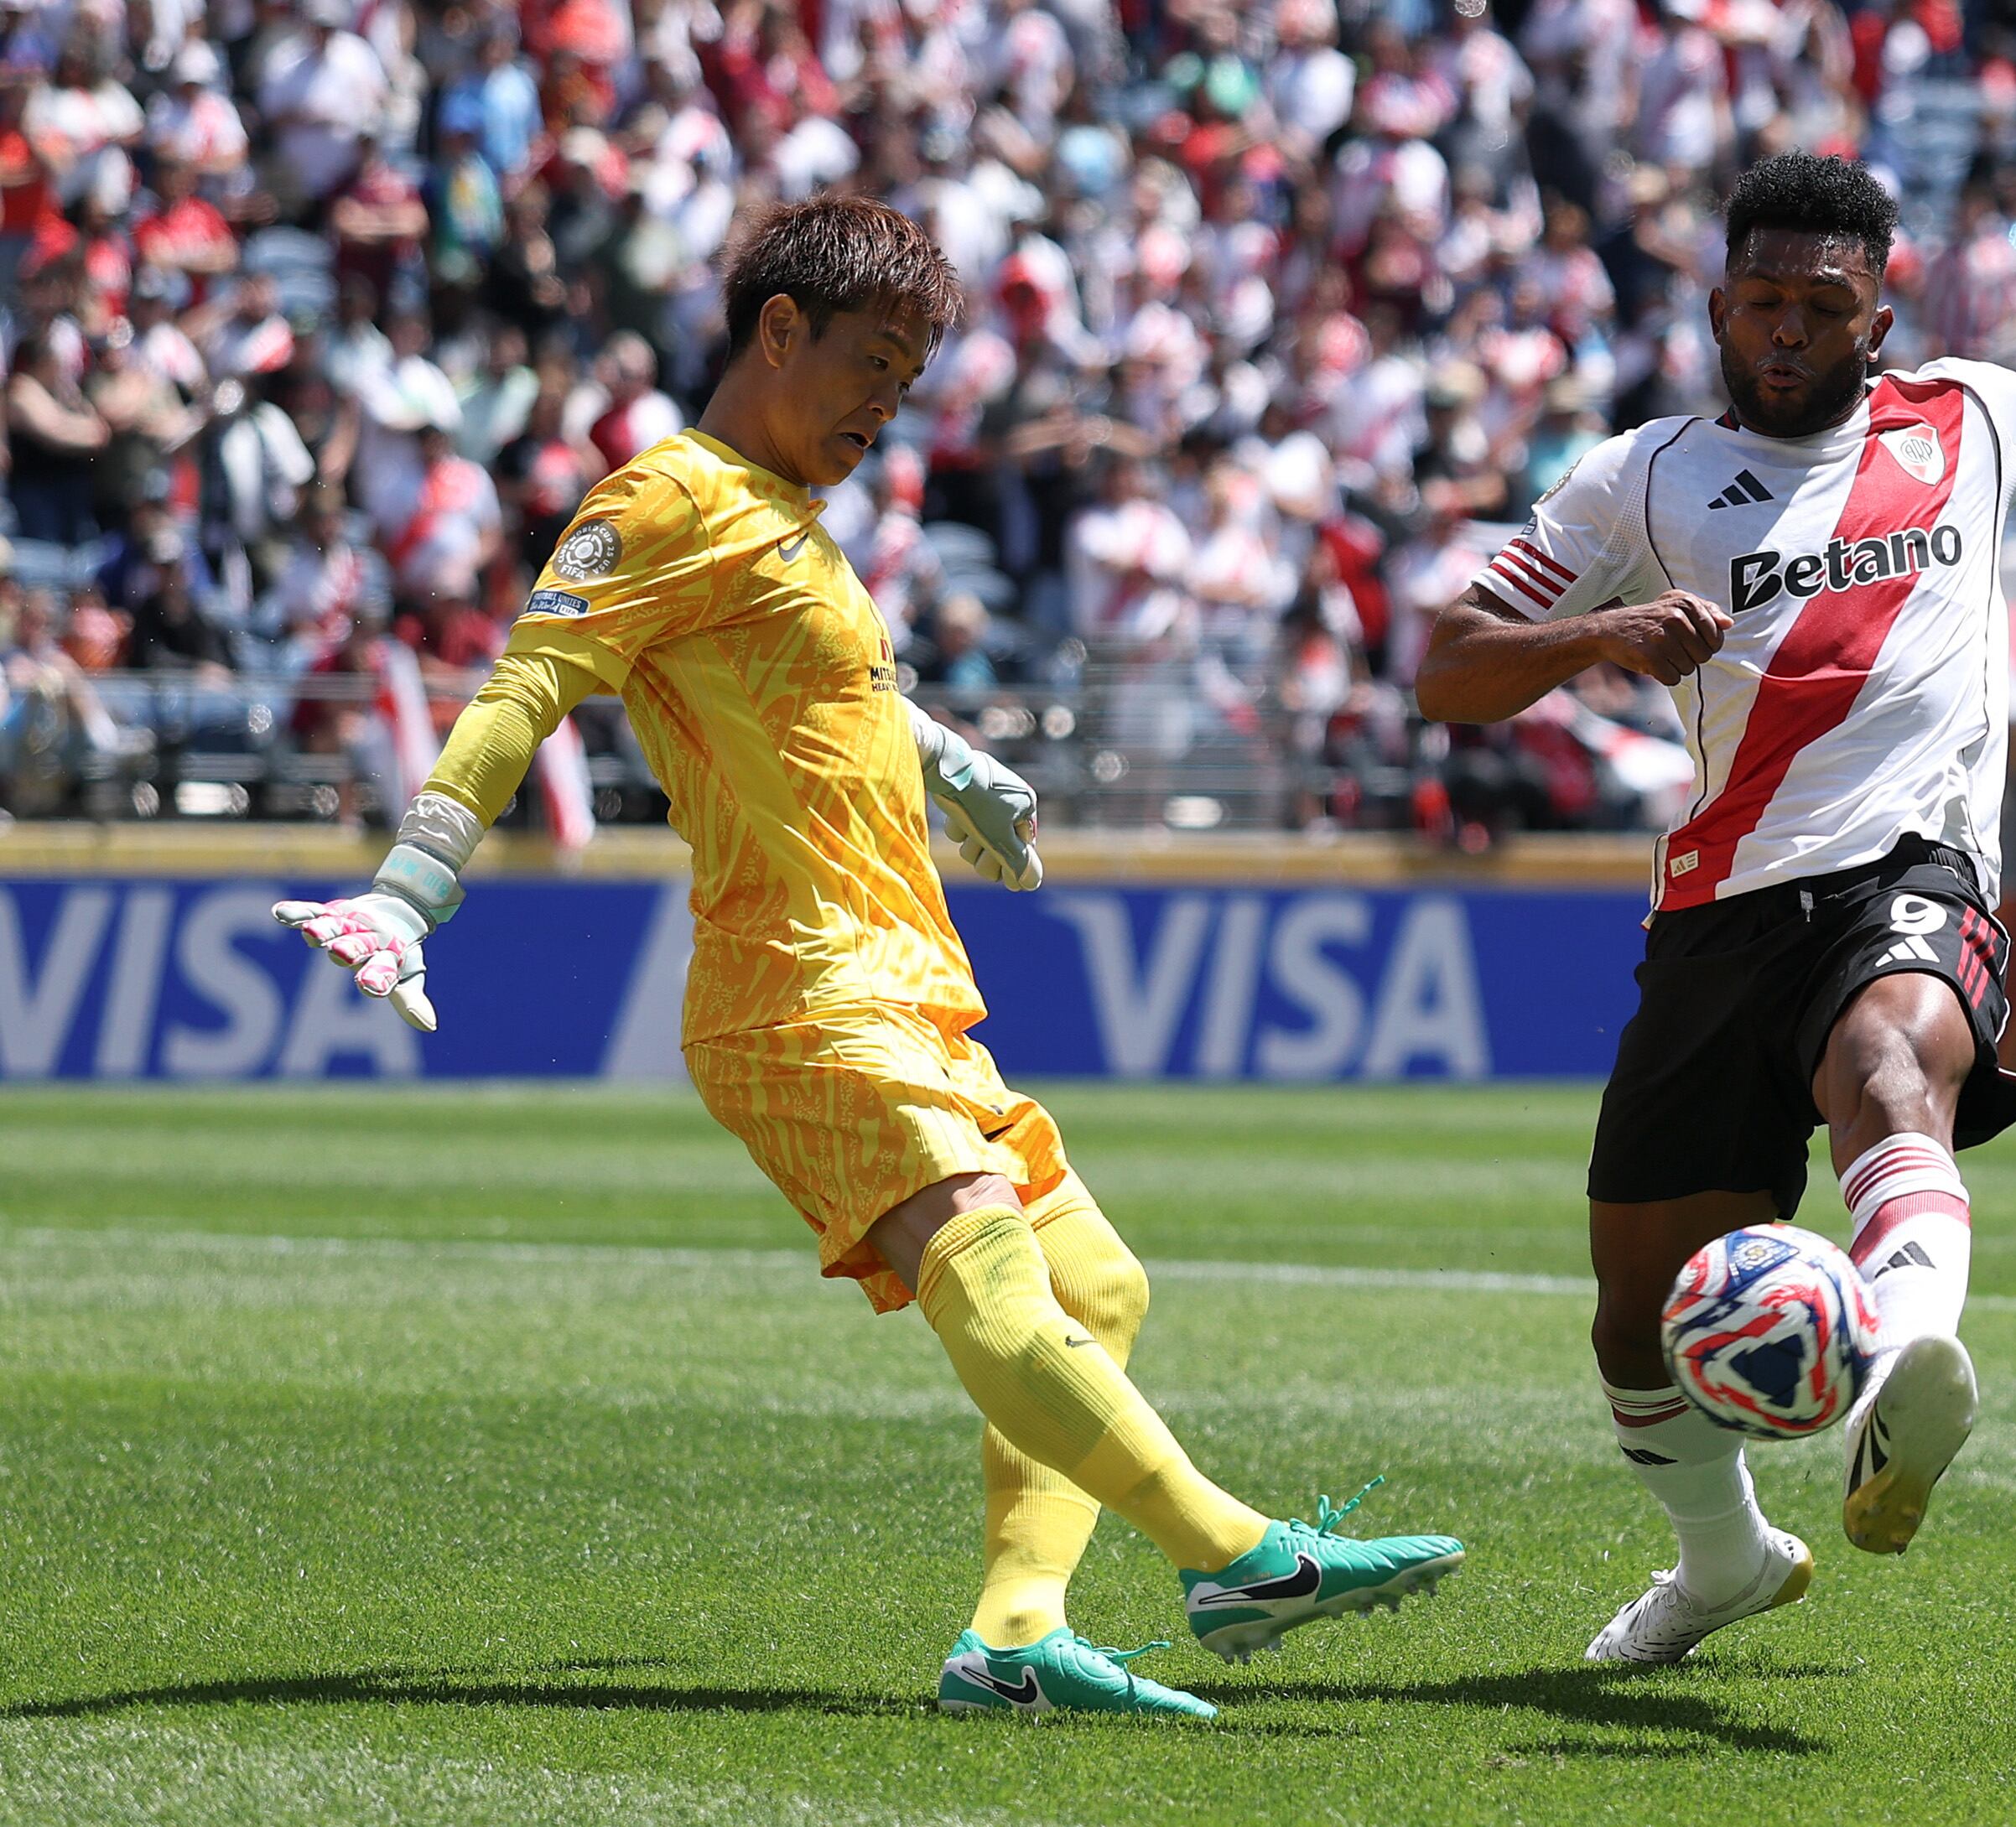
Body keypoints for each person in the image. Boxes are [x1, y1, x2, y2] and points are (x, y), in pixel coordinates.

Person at [272, 197, 1462, 1721]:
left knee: (1094, 1279)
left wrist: (955, 761)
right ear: (779, 331)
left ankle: (1015, 1636)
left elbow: (830, 693)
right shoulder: (666, 497)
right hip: (793, 983)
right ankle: (1235, 1550)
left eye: (912, 380)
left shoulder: (789, 523)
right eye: (874, 364)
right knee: (984, 1250)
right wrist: (412, 880)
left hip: (901, 971)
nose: (889, 406)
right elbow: (528, 682)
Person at [1416, 151, 2016, 1664]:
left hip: (1910, 870)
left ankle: (1894, 1367)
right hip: (1716, 910)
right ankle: (1727, 1556)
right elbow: (1451, 663)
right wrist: (1610, 631)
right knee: (1638, 1315)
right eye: (1765, 304)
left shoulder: (1968, 415)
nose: (1792, 332)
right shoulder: (1639, 476)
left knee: (1897, 1066)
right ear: (1718, 309)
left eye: (1826, 305)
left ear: (1882, 316)